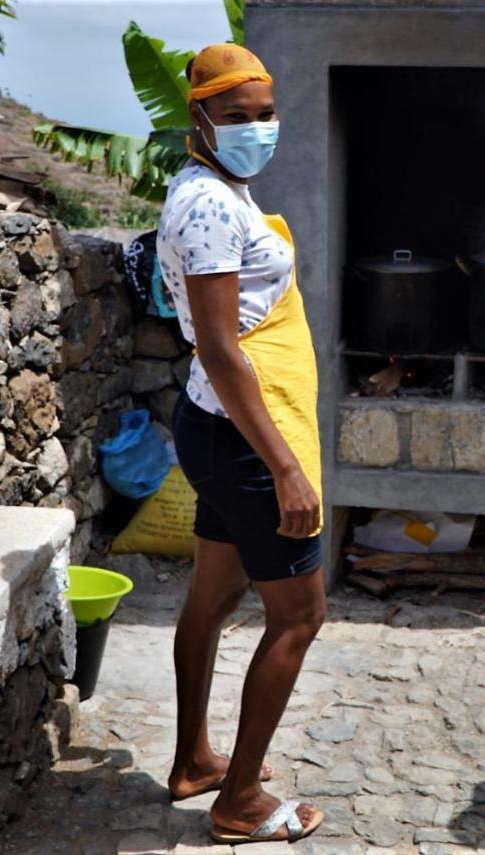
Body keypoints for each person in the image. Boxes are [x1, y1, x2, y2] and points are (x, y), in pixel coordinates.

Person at [156, 44, 325, 844]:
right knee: (299, 613)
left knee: (214, 595)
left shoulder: (219, 189)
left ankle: (195, 760)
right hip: (246, 439)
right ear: (200, 119)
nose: (258, 128)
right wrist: (285, 466)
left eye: (266, 113)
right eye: (237, 117)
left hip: (219, 432)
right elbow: (222, 350)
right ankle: (241, 799)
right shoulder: (211, 206)